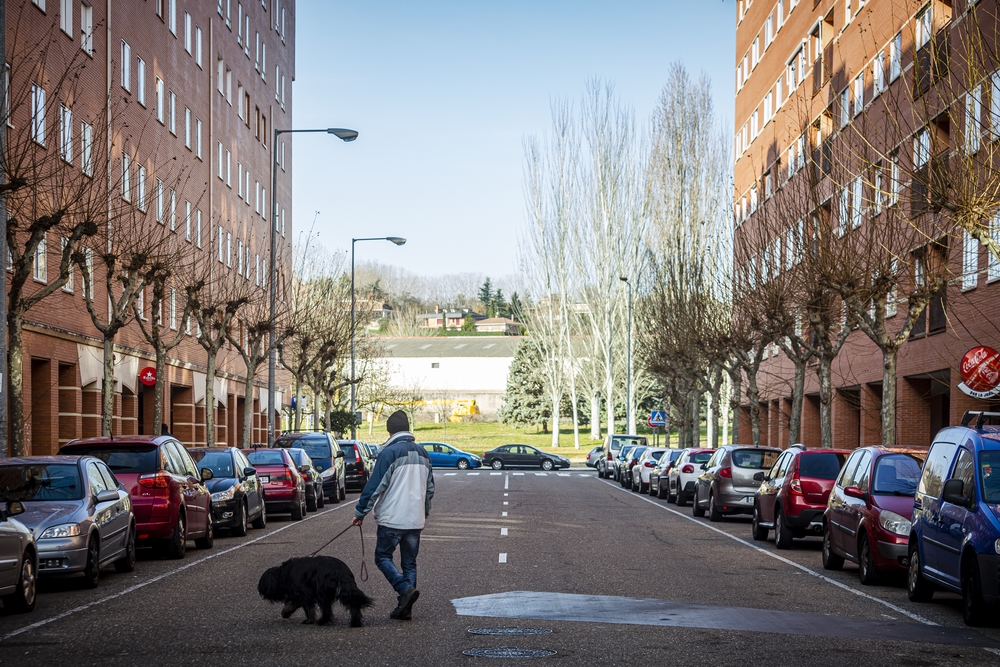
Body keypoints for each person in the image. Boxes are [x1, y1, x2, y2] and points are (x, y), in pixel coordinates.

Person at [352, 410, 434, 620]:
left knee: (382, 557)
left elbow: (375, 486)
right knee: (409, 563)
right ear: (408, 428)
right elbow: (430, 489)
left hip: (392, 519)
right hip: (415, 520)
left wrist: (360, 512)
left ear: (389, 430)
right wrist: (423, 513)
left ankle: (404, 589)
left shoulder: (389, 453)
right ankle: (405, 608)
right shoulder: (423, 453)